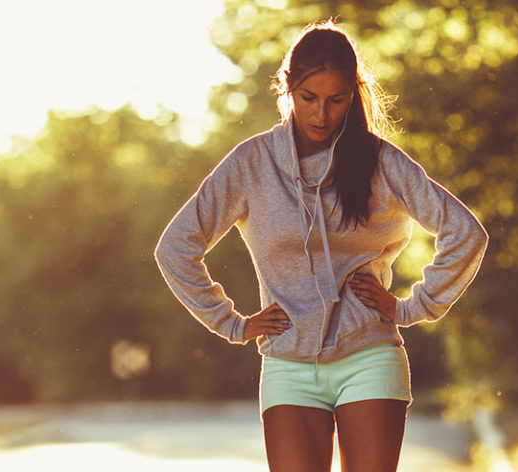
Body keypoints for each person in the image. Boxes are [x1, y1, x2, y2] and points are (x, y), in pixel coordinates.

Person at [154, 20, 487, 472]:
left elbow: (466, 233)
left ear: (353, 95)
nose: (321, 115)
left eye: (336, 100)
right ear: (288, 88)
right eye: (308, 97)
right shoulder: (253, 163)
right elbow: (175, 248)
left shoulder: (381, 161)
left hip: (369, 357)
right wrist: (231, 323)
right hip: (288, 365)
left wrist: (412, 307)